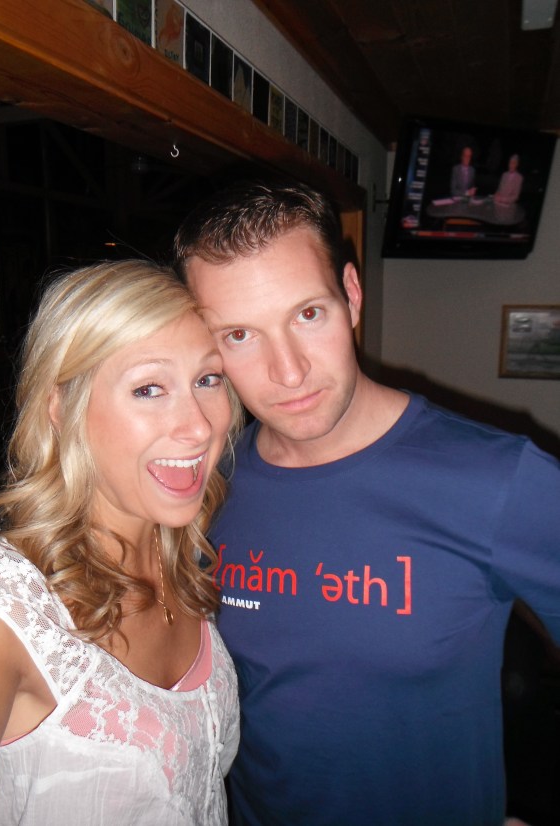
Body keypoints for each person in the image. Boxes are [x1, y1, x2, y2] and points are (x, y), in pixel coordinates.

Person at [173, 179, 560, 826]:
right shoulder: (206, 486)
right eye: (239, 334)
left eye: (308, 314)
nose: (288, 371)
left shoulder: (498, 478)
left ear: (351, 296)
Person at [0, 260, 244, 825]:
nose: (200, 426)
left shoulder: (181, 556)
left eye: (208, 380)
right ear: (61, 409)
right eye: (149, 388)